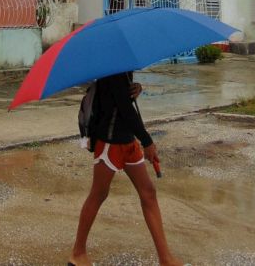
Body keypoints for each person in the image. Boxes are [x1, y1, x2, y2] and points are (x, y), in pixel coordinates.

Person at [69, 72, 183, 266]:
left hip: (128, 142)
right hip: (110, 143)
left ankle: (166, 259)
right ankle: (78, 254)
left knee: (148, 193)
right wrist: (147, 141)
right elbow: (124, 108)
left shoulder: (122, 69)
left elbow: (121, 98)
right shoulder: (113, 68)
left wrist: (135, 88)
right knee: (98, 195)